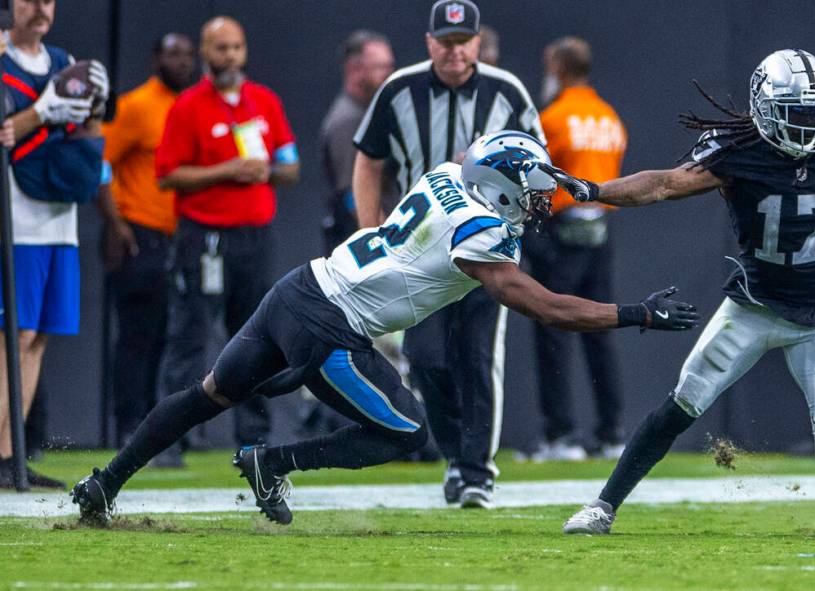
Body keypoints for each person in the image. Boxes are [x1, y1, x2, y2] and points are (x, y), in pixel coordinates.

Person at [71, 130, 700, 525]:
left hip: (299, 287)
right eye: (532, 192)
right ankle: (271, 461)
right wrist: (636, 313)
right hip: (331, 326)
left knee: (208, 393)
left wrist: (570, 181)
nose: (539, 203)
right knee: (407, 432)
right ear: (500, 189)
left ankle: (105, 482)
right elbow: (544, 307)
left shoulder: (448, 176)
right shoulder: (477, 231)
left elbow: (480, 159)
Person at [552, 49, 815, 534]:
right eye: (795, 113)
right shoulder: (737, 150)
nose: (807, 126)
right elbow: (664, 185)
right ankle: (602, 506)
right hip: (754, 307)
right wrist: (594, 190)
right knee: (683, 401)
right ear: (764, 109)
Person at [352, 0, 545, 508]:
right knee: (426, 355)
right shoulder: (399, 89)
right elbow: (368, 161)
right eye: (446, 41)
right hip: (420, 250)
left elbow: (539, 166)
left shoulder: (508, 91)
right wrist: (368, 230)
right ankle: (457, 457)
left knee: (478, 356)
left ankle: (476, 470)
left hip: (486, 246)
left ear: (478, 42)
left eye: (464, 42)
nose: (455, 52)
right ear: (429, 41)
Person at [154, 16, 299, 460]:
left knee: (256, 336)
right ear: (205, 52)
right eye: (221, 48)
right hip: (204, 239)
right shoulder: (189, 106)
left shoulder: (265, 102)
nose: (230, 56)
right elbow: (166, 176)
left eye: (236, 47)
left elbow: (291, 168)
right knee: (190, 337)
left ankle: (253, 437)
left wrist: (267, 172)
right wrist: (227, 171)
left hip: (253, 239)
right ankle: (168, 440)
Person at [0, 0, 108, 489]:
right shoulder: (2, 63)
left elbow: (88, 130)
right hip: (17, 217)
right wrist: (40, 112)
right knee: (13, 337)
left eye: (49, 0)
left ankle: (10, 455)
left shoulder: (65, 63)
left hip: (60, 215)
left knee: (38, 337)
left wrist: (93, 114)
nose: (41, 8)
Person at [525, 37, 628, 461]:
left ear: (561, 68)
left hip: (561, 230)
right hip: (600, 229)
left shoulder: (553, 117)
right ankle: (611, 432)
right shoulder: (609, 117)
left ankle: (560, 435)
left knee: (552, 326)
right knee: (600, 329)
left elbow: (535, 177)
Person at [100, 33, 196, 445]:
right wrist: (114, 223)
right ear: (156, 56)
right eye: (173, 54)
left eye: (188, 56)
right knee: (136, 335)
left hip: (181, 237)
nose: (182, 63)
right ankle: (128, 425)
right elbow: (99, 163)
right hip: (139, 234)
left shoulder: (188, 108)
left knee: (167, 335)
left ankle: (160, 430)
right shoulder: (137, 106)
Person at [319, 30, 396, 255]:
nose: (389, 74)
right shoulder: (348, 121)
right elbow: (352, 195)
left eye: (390, 66)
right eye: (380, 67)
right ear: (355, 69)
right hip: (362, 247)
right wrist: (384, 243)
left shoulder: (372, 113)